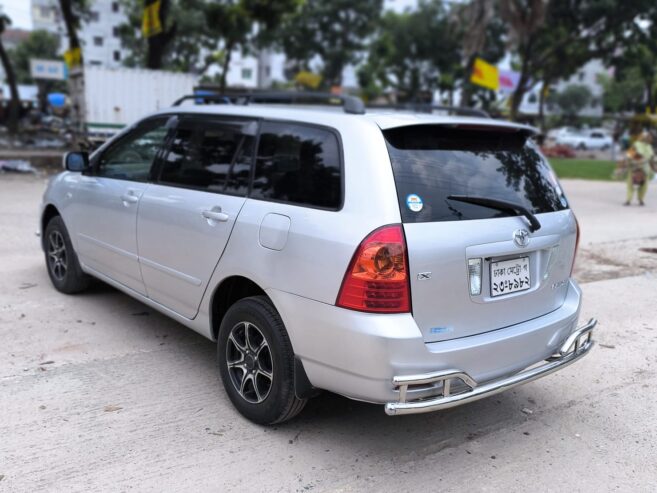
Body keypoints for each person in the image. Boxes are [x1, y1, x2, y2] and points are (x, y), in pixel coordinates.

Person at [624, 131, 655, 206]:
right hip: (635, 167)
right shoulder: (637, 144)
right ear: (645, 137)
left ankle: (641, 199)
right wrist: (629, 161)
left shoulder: (650, 147)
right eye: (648, 137)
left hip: (645, 169)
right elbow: (629, 154)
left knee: (644, 185)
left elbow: (651, 159)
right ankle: (628, 200)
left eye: (651, 138)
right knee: (631, 184)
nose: (650, 139)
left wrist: (654, 168)